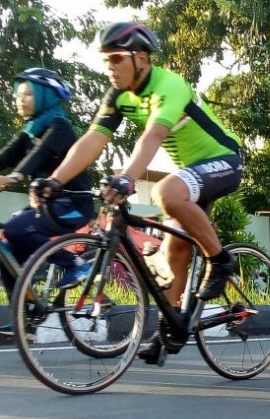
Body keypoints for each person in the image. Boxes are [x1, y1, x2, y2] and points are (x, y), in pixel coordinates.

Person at [39, 22, 245, 365]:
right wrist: (55, 180)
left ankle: (220, 260)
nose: (109, 66)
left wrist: (128, 178)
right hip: (191, 175)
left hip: (224, 160)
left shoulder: (169, 85)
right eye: (105, 59)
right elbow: (92, 140)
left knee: (165, 192)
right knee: (172, 249)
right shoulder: (119, 96)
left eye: (116, 58)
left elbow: (152, 136)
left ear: (142, 58)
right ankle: (170, 330)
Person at [0, 68, 95, 316]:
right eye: (18, 95)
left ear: (46, 96)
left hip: (73, 206)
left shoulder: (59, 126)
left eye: (28, 94)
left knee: (16, 228)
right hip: (46, 206)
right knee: (6, 249)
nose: (20, 99)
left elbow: (37, 155)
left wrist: (13, 177)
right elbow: (6, 156)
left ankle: (77, 264)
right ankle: (24, 314)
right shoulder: (30, 130)